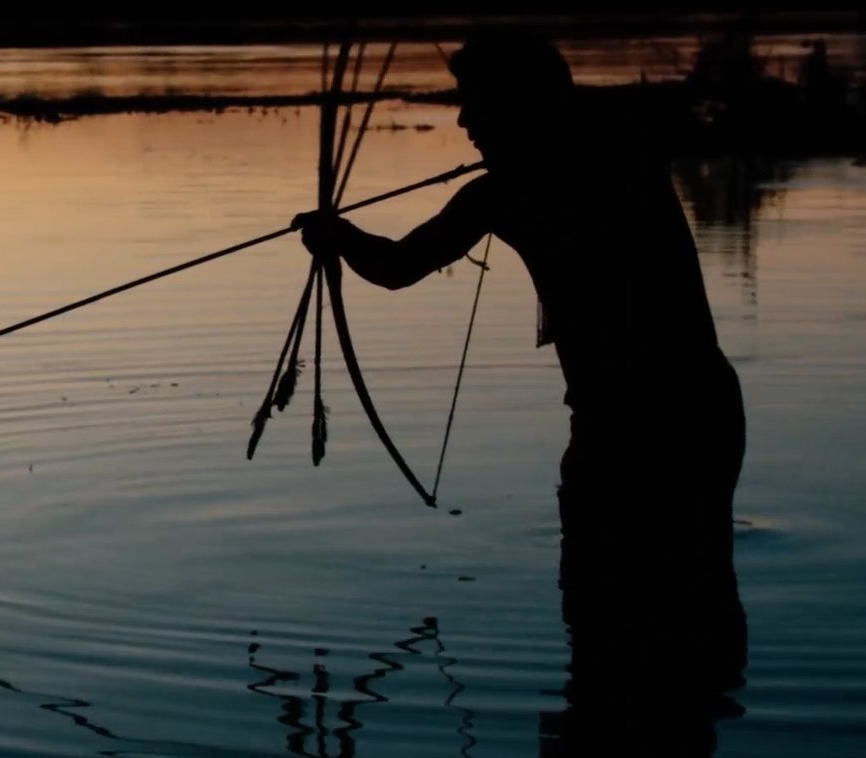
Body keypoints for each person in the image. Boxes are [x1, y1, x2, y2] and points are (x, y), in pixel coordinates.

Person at [296, 29, 749, 753]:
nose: (463, 123)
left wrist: (335, 236)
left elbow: (397, 266)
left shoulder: (511, 189)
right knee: (698, 593)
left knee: (605, 605)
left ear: (515, 106)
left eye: (475, 105)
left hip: (628, 434)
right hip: (703, 412)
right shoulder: (621, 153)